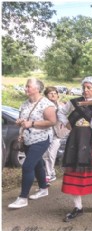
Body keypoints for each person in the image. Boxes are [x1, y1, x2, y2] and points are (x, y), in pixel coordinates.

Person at [58, 76, 92, 222]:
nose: (86, 90)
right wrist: (68, 125)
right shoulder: (75, 102)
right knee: (75, 171)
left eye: (89, 88)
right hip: (76, 139)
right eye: (84, 87)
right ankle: (78, 207)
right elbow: (61, 113)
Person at [8, 78, 57, 209]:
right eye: (26, 86)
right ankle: (43, 188)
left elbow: (52, 121)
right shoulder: (24, 104)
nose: (26, 88)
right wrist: (20, 122)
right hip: (28, 138)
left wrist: (33, 123)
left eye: (28, 86)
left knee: (27, 166)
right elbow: (24, 118)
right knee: (37, 164)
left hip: (41, 139)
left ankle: (23, 198)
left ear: (37, 89)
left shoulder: (46, 104)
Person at [42, 86, 69, 183]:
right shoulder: (43, 106)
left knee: (51, 154)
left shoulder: (61, 105)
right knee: (45, 154)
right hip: (45, 132)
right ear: (46, 95)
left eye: (55, 93)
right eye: (50, 93)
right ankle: (50, 173)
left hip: (57, 133)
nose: (53, 95)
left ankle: (49, 174)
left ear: (57, 95)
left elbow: (66, 116)